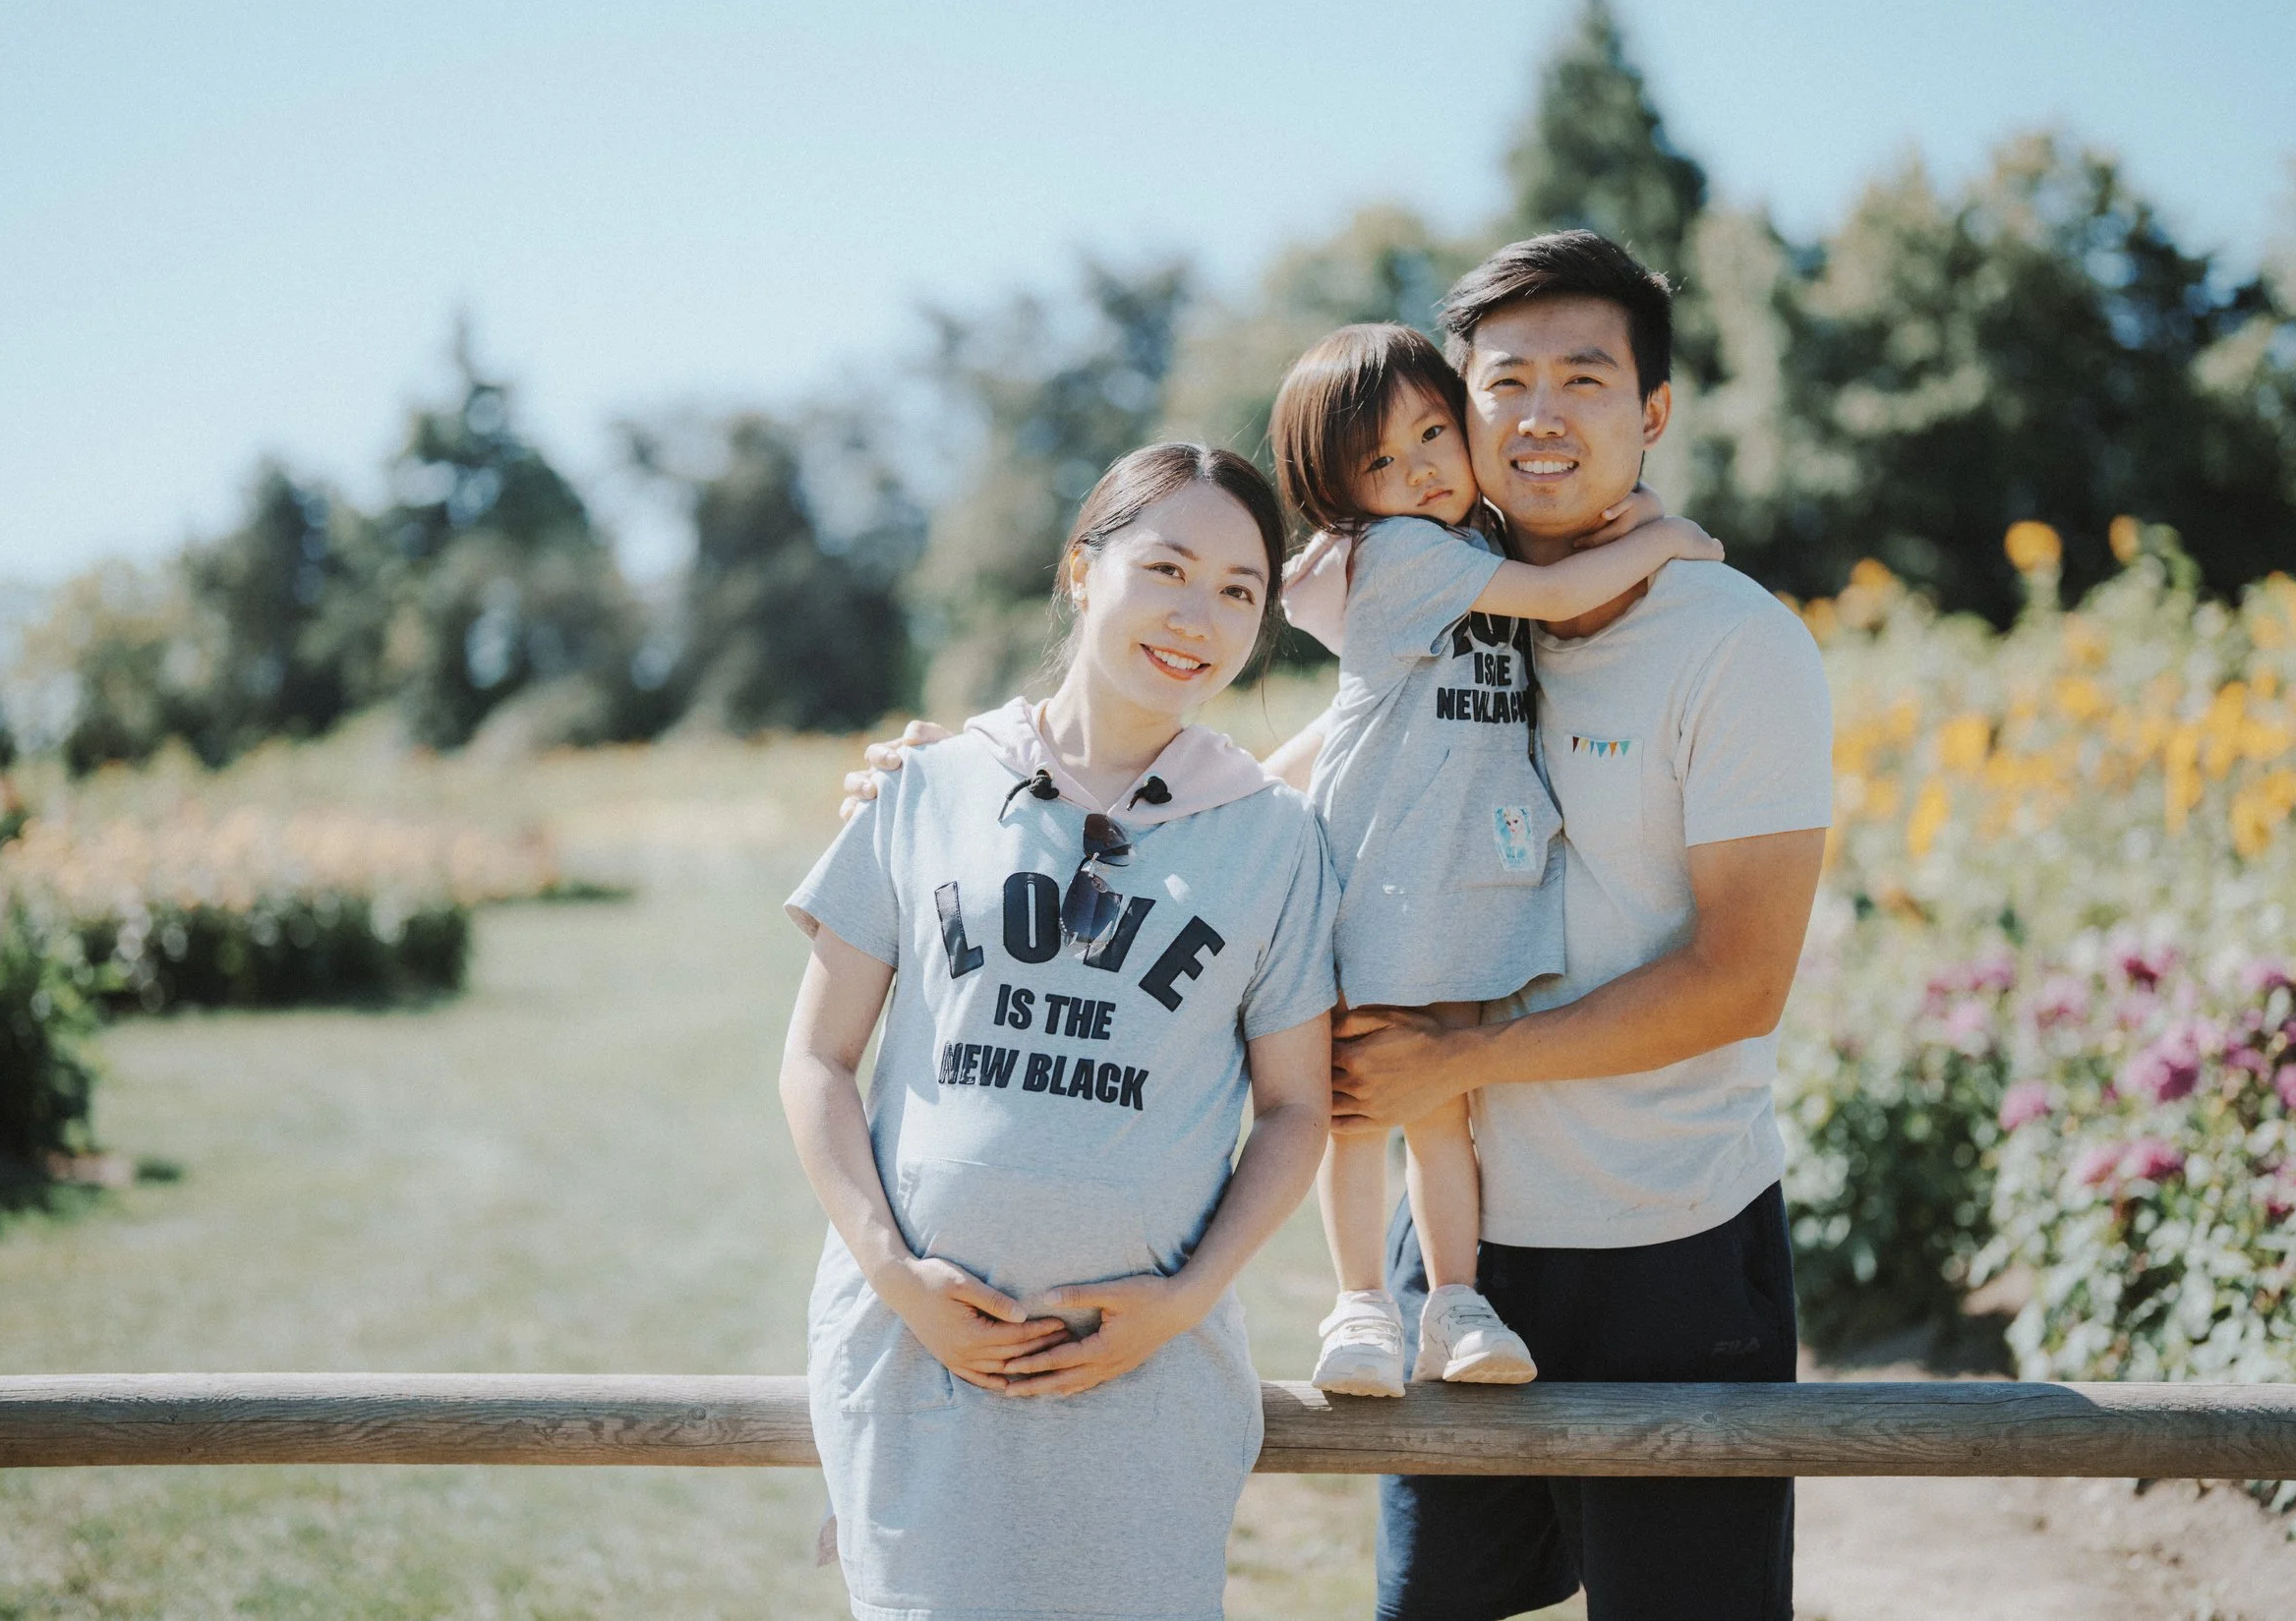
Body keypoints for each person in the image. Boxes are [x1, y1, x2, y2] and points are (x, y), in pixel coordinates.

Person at [1324, 231, 1832, 1621]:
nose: (1541, 413)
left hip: (1669, 1233)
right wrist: (984, 762)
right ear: (1459, 409)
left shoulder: (1738, 642)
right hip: (1464, 1261)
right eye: (1505, 383)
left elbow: (1740, 979)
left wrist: (1457, 1067)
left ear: (1652, 412)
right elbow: (1260, 756)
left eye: (1585, 378)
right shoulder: (1438, 612)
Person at [781, 441, 1338, 1621]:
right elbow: (817, 1060)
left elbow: (1296, 1109)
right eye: (1168, 568)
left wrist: (1186, 1299)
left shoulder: (1275, 840)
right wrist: (896, 1273)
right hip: (917, 1348)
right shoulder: (926, 788)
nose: (1201, 616)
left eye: (1241, 590)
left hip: (1143, 1371)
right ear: (1083, 572)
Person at [1263, 321, 1723, 1399]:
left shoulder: (1471, 545)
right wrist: (1669, 537)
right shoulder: (1402, 554)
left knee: (1443, 1106)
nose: (1419, 465)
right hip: (1377, 868)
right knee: (1362, 1101)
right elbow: (1567, 596)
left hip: (1463, 873)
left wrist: (1636, 516)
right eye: (1381, 459)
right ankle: (1361, 1302)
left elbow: (1569, 571)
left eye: (1433, 430)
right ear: (1340, 488)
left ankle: (1454, 1301)